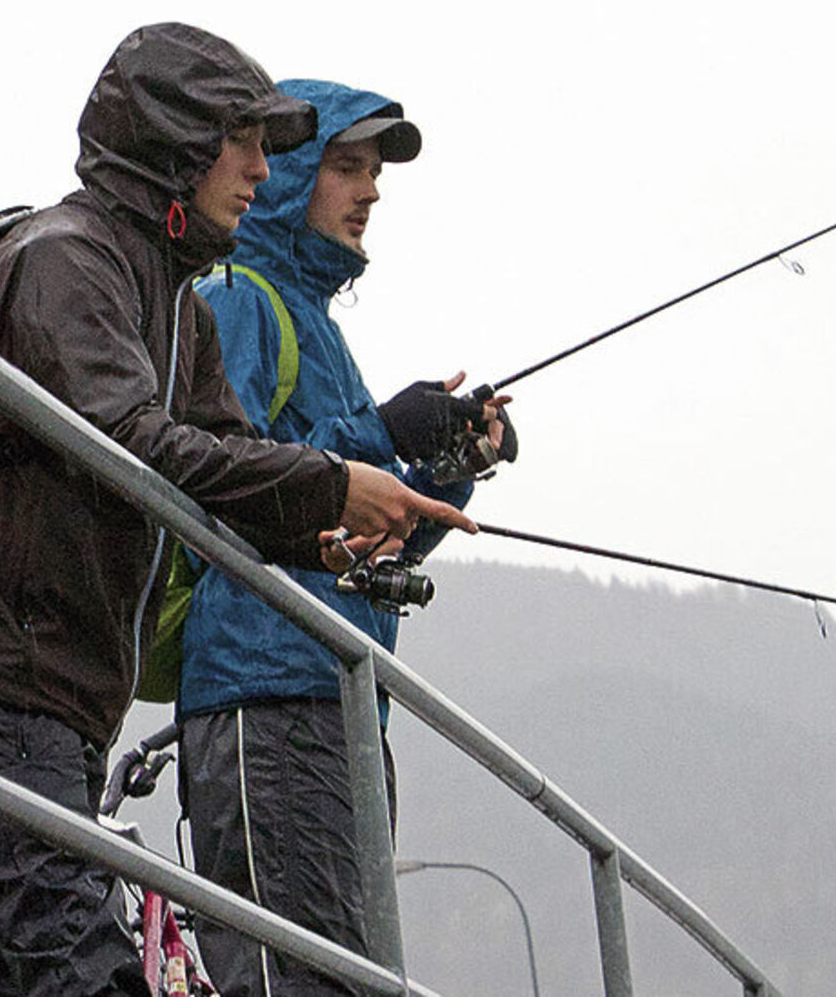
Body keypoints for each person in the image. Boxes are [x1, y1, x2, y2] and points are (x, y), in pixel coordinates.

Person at [0, 26, 475, 997]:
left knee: (28, 967)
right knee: (76, 973)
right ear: (176, 143)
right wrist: (334, 480)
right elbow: (127, 440)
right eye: (246, 141)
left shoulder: (171, 300)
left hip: (55, 686)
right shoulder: (66, 260)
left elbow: (238, 459)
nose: (265, 169)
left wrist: (348, 524)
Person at [176, 79, 514, 996]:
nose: (370, 192)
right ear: (283, 177)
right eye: (346, 166)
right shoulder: (239, 298)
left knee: (348, 980)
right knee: (300, 983)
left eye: (373, 172)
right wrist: (382, 434)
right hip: (266, 697)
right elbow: (219, 480)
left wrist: (445, 470)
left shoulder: (319, 329)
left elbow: (361, 553)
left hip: (338, 706)